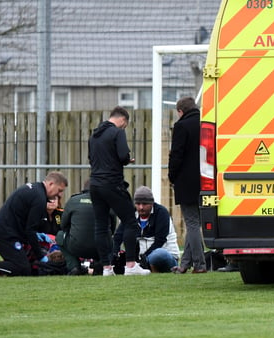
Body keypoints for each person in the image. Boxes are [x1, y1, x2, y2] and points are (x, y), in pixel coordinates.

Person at [0, 171, 68, 277]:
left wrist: (37, 235)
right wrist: (41, 257)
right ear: (51, 184)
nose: (60, 194)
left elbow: (23, 222)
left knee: (21, 265)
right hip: (4, 235)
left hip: (3, 232)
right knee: (22, 269)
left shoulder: (35, 189)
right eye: (59, 190)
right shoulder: (39, 198)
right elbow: (30, 230)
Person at [88, 106, 150, 276]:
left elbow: (91, 158)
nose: (124, 128)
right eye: (125, 125)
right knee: (130, 220)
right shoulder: (117, 132)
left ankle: (107, 268)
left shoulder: (94, 135)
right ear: (123, 120)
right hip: (112, 183)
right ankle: (131, 265)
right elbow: (123, 156)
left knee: (101, 225)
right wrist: (126, 159)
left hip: (94, 184)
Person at [168, 96, 206, 273]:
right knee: (195, 224)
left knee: (191, 222)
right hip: (206, 180)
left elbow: (176, 155)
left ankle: (200, 264)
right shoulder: (206, 124)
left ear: (180, 111)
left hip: (186, 181)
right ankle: (185, 264)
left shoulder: (181, 126)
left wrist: (172, 176)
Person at [112, 186, 181, 273]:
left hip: (166, 256)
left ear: (151, 203)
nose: (141, 207)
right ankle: (141, 267)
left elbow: (160, 241)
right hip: (140, 259)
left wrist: (143, 258)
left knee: (159, 254)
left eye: (144, 204)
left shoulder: (161, 213)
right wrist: (114, 255)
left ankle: (142, 266)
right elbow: (118, 237)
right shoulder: (131, 214)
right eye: (138, 204)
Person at [55, 180, 116, 275]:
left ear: (83, 190)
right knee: (110, 239)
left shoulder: (73, 201)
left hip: (77, 246)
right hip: (100, 246)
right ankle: (100, 265)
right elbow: (112, 228)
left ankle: (74, 266)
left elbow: (63, 225)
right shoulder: (107, 202)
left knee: (59, 236)